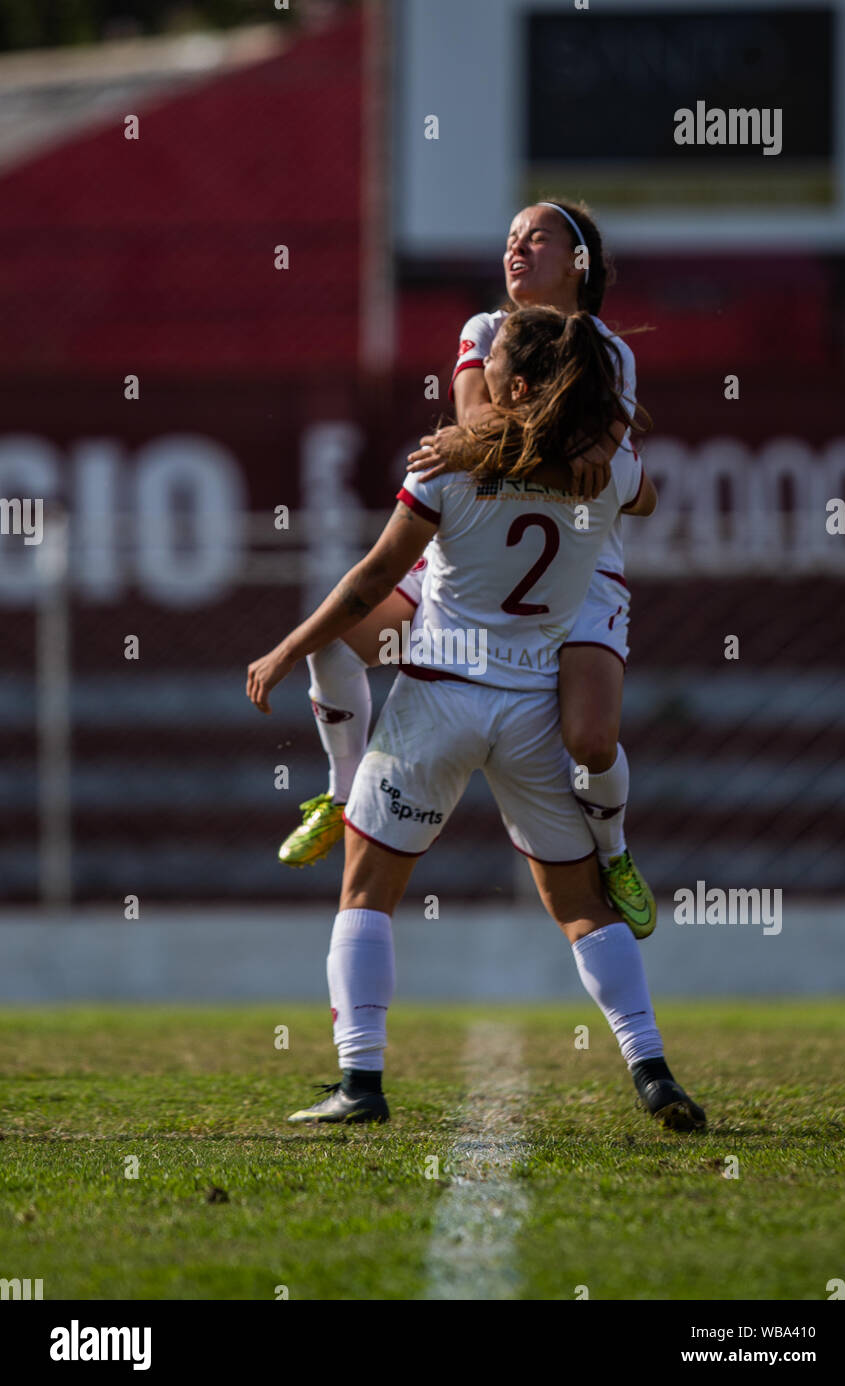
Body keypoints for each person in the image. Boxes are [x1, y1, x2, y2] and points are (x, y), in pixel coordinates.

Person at [247, 306, 705, 1133]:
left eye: (490, 368)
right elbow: (638, 485)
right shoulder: (609, 475)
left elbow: (366, 583)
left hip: (436, 695)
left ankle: (361, 1080)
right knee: (580, 906)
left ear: (516, 385)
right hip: (535, 707)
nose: (474, 383)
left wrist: (285, 649)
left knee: (367, 890)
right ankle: (652, 1071)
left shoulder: (444, 471)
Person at [278, 200, 655, 940]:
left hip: (580, 579)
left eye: (536, 237)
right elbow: (490, 424)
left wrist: (473, 444)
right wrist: (524, 440)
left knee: (591, 742)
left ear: (580, 262)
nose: (516, 247)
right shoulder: (484, 330)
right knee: (334, 636)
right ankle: (342, 792)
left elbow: (573, 459)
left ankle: (614, 851)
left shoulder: (612, 351)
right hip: (467, 565)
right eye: (509, 237)